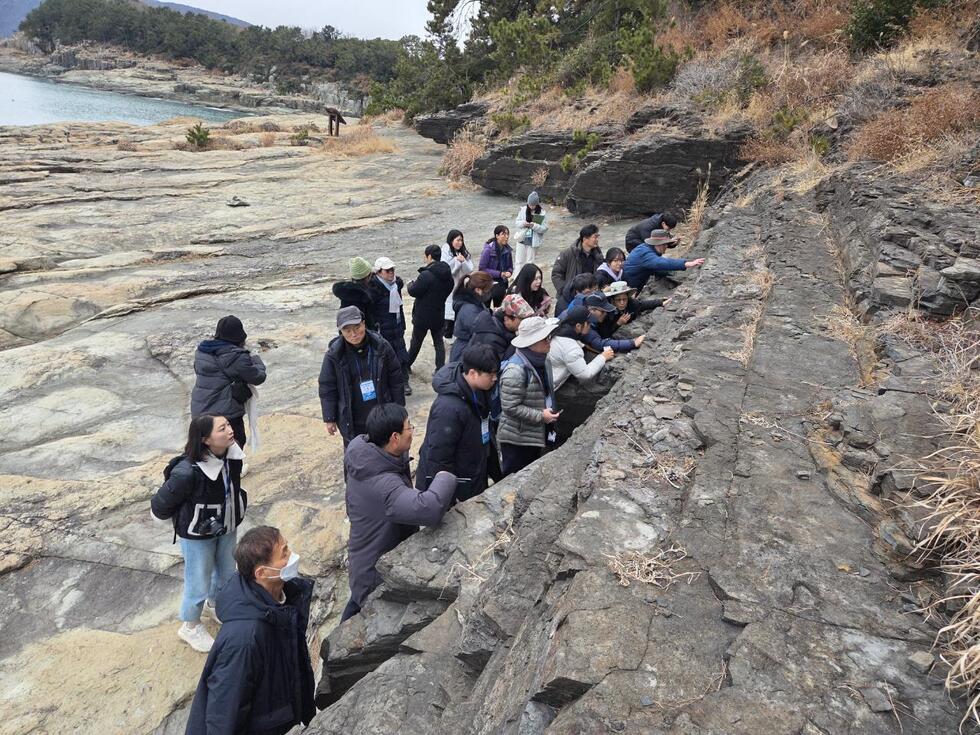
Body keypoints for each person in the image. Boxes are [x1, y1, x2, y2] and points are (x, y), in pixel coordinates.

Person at [184, 526, 315, 735]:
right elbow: (224, 715)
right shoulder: (244, 639)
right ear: (262, 573)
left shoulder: (280, 602)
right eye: (284, 553)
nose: (292, 557)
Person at [343, 403, 456, 621]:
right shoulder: (382, 485)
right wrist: (445, 475)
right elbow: (429, 508)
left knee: (354, 609)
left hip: (367, 559)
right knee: (366, 620)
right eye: (409, 427)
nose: (412, 431)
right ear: (395, 437)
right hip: (376, 574)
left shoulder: (366, 455)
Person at [150, 414, 246, 653]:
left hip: (226, 523)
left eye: (228, 425)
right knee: (198, 579)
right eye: (222, 428)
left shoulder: (232, 455)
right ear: (205, 439)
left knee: (226, 570)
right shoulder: (186, 472)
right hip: (196, 533)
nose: (229, 431)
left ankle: (217, 605)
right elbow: (160, 505)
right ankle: (190, 625)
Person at [416, 344, 498, 503]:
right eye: (491, 374)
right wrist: (446, 497)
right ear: (473, 373)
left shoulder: (479, 391)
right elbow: (439, 457)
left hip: (472, 472)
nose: (495, 378)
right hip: (455, 487)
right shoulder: (448, 409)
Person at [318, 306, 405, 447]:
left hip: (381, 411)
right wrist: (330, 418)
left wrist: (399, 409)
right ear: (340, 331)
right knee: (357, 455)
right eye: (347, 330)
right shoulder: (334, 355)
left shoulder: (381, 346)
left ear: (364, 323)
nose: (354, 334)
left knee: (386, 450)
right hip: (353, 415)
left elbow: (395, 378)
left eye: (357, 327)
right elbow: (327, 387)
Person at [497, 316, 561, 476]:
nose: (548, 341)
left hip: (534, 433)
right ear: (530, 343)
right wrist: (541, 416)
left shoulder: (543, 361)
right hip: (516, 439)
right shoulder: (515, 371)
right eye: (544, 338)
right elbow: (509, 407)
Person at [190, 316, 266, 450]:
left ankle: (215, 470)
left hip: (200, 409)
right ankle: (234, 470)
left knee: (208, 448)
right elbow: (258, 377)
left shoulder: (202, 351)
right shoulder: (236, 357)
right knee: (235, 443)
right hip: (225, 410)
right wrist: (255, 359)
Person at [407, 245, 455, 373]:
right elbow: (450, 288)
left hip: (422, 315)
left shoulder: (426, 275)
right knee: (439, 343)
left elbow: (413, 291)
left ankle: (406, 365)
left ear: (429, 256)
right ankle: (440, 368)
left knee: (416, 343)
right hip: (439, 313)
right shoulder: (447, 273)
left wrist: (410, 284)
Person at [368, 256, 412, 395]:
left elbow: (399, 306)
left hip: (397, 325)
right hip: (383, 328)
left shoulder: (396, 285)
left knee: (401, 355)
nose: (391, 272)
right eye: (387, 270)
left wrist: (403, 324)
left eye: (392, 269)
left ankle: (404, 381)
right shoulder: (373, 289)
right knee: (385, 357)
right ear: (379, 272)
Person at [548, 306, 614, 390]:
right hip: (548, 388)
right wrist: (603, 357)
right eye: (588, 323)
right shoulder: (571, 348)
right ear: (578, 326)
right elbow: (585, 374)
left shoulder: (559, 328)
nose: (590, 326)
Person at [624, 229, 705, 290]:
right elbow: (661, 263)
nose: (667, 246)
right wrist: (687, 264)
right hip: (630, 286)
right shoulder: (646, 254)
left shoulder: (645, 247)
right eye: (665, 244)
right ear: (658, 244)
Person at [469, 293, 535, 363]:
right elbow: (501, 365)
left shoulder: (505, 327)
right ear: (507, 319)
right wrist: (519, 339)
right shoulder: (491, 338)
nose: (527, 322)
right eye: (523, 320)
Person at [551, 224, 603, 307]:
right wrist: (565, 291)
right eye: (595, 237)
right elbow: (556, 274)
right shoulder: (568, 253)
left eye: (598, 237)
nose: (597, 240)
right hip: (570, 297)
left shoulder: (597, 254)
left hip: (590, 295)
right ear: (585, 239)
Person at [598, 280, 667, 338]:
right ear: (612, 300)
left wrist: (661, 302)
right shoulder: (606, 312)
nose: (622, 303)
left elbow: (643, 305)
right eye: (618, 300)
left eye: (624, 299)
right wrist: (618, 324)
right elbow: (604, 334)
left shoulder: (631, 303)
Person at [449, 271, 494, 361]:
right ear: (478, 290)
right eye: (488, 290)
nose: (489, 292)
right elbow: (480, 330)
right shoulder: (469, 309)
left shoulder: (475, 302)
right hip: (465, 352)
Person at [581, 292, 645, 353]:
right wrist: (632, 343)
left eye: (625, 299)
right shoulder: (584, 324)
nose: (605, 314)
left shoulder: (592, 319)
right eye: (603, 311)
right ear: (591, 310)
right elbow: (600, 343)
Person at [441, 229, 474, 337]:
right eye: (457, 240)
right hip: (449, 287)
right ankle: (447, 334)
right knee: (449, 312)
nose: (460, 243)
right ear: (451, 240)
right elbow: (448, 271)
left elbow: (469, 270)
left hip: (460, 286)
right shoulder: (446, 253)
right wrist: (456, 261)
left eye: (461, 240)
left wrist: (462, 261)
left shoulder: (463, 253)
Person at [332, 257, 378, 330]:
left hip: (347, 336)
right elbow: (367, 325)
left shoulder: (346, 292)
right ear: (367, 277)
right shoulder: (363, 298)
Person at [478, 225, 514, 307]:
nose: (507, 237)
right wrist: (499, 273)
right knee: (485, 307)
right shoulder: (488, 250)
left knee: (500, 308)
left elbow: (510, 266)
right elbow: (482, 269)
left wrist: (509, 272)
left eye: (507, 234)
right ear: (497, 236)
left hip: (502, 283)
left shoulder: (507, 250)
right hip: (488, 283)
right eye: (503, 234)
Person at [514, 191, 548, 272]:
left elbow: (545, 228)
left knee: (530, 263)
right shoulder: (523, 210)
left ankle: (528, 280)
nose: (531, 207)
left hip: (533, 240)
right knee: (519, 262)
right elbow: (517, 222)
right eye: (530, 205)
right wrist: (523, 223)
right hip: (522, 238)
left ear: (537, 204)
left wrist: (534, 226)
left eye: (533, 205)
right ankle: (517, 279)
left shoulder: (542, 213)